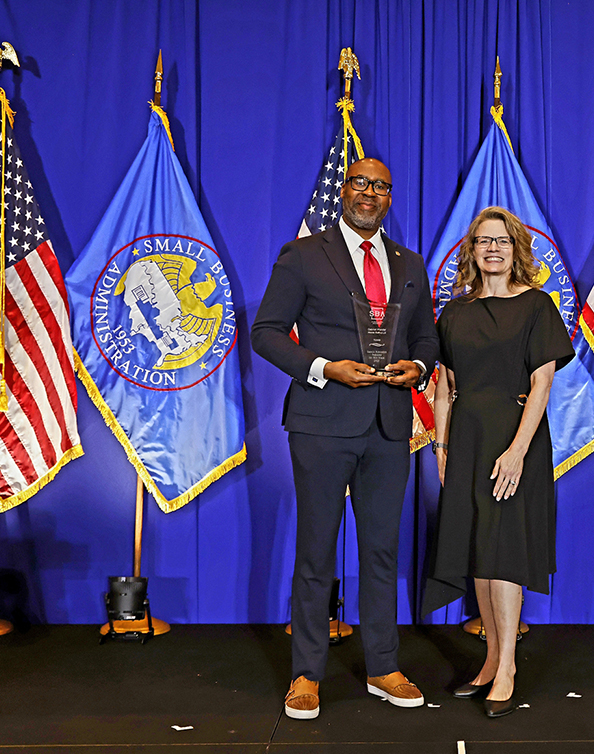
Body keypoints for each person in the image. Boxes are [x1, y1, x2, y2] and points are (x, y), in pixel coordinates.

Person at [251, 158, 439, 720]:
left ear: (389, 199)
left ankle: (383, 666)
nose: (371, 194)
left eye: (382, 187)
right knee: (316, 551)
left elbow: (426, 335)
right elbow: (265, 333)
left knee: (382, 552)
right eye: (361, 183)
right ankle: (306, 674)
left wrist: (420, 368)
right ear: (344, 190)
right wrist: (323, 367)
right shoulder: (304, 254)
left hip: (389, 425)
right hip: (321, 423)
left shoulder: (409, 262)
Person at [422, 206, 574, 718]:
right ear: (471, 250)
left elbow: (542, 384)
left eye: (502, 241)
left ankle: (507, 665)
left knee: (504, 550)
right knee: (478, 552)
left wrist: (517, 451)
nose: (493, 248)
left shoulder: (537, 306)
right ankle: (489, 660)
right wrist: (442, 450)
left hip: (516, 443)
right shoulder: (455, 313)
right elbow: (444, 388)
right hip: (465, 442)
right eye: (484, 241)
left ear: (516, 250)